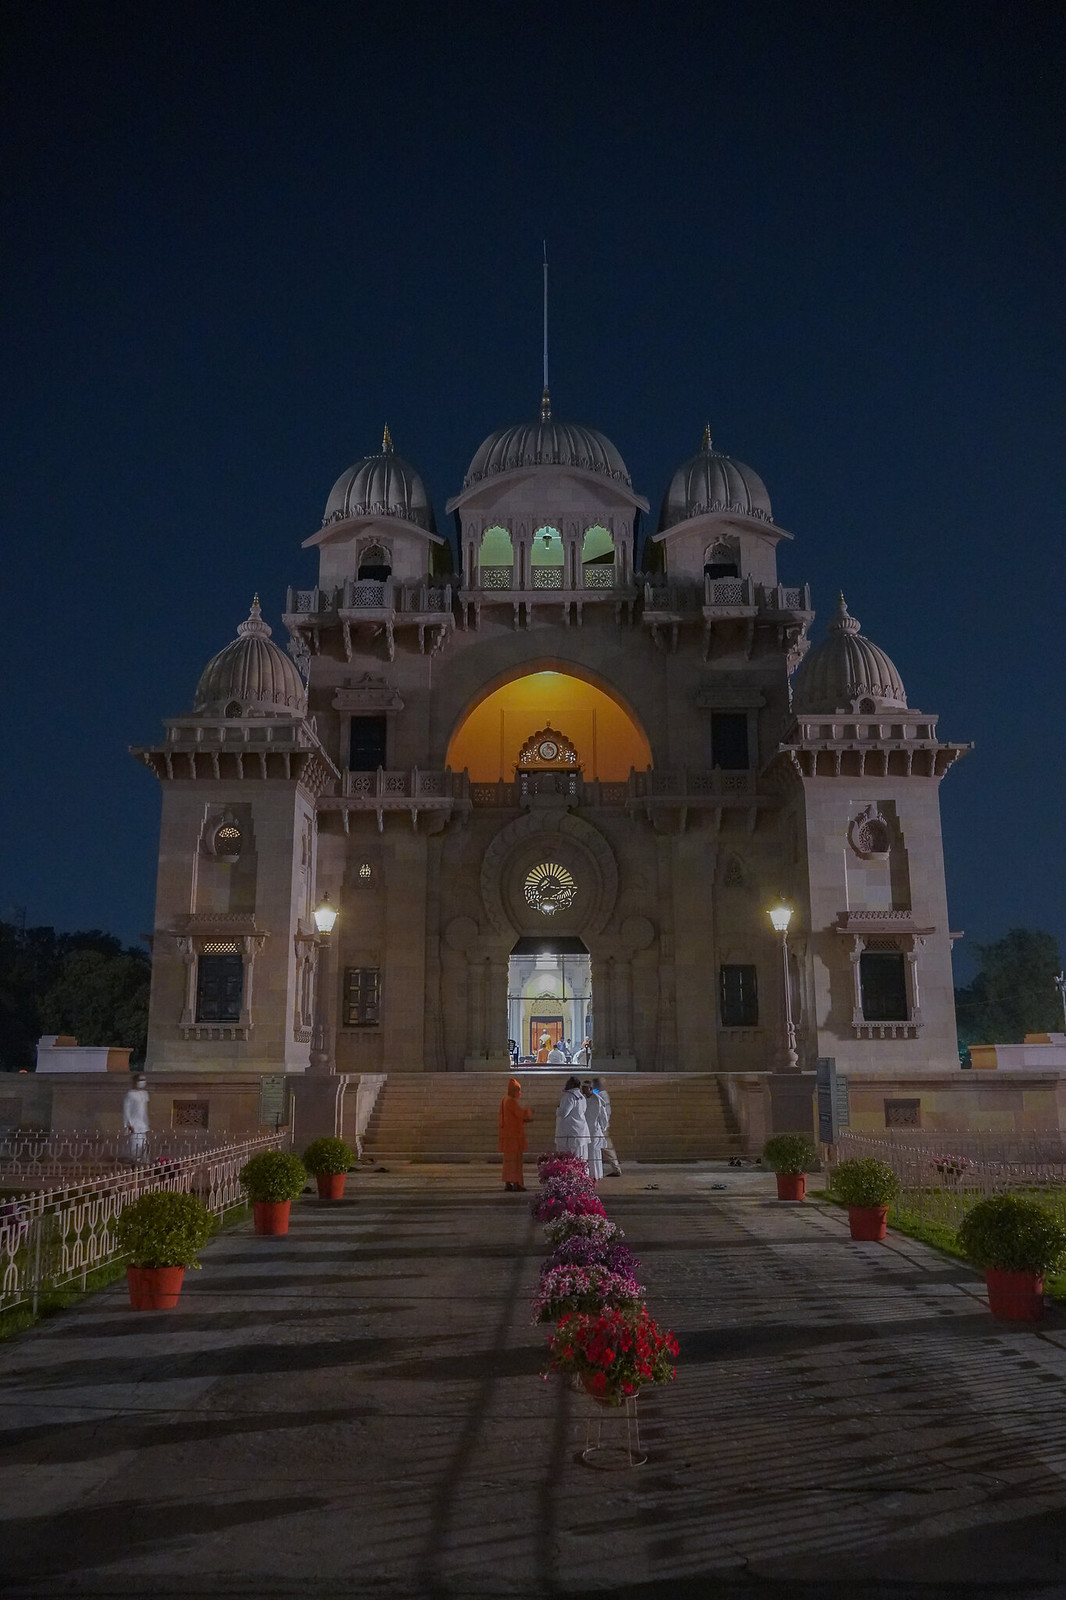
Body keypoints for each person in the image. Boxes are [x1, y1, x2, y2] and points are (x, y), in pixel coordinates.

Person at [498, 1077, 533, 1191]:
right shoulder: (511, 1101)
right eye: (518, 1090)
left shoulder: (505, 1099)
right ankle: (517, 1183)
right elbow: (520, 1114)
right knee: (516, 1162)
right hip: (514, 1136)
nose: (519, 1093)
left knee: (508, 1161)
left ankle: (508, 1182)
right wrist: (528, 1113)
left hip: (507, 1135)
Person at [554, 1075, 589, 1163]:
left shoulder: (569, 1096)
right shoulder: (581, 1096)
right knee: (580, 1157)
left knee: (569, 1158)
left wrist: (558, 1108)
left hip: (570, 1132)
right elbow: (583, 1111)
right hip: (580, 1130)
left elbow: (563, 1113)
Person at [592, 1077, 622, 1176]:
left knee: (606, 1148)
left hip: (600, 1127)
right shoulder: (603, 1094)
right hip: (602, 1126)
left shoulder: (599, 1095)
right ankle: (613, 1167)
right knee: (605, 1147)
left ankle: (616, 1168)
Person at [584, 1082, 609, 1182]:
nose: (583, 1091)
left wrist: (602, 1129)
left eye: (585, 1088)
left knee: (594, 1153)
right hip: (585, 1131)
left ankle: (596, 1175)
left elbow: (603, 1117)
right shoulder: (583, 1099)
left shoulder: (598, 1101)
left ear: (590, 1089)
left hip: (594, 1130)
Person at [123, 1074, 150, 1162]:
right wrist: (129, 1124)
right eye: (140, 1080)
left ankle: (144, 1163)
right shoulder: (130, 1094)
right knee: (135, 1145)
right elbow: (126, 1110)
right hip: (134, 1124)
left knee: (144, 1145)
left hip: (142, 1124)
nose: (142, 1082)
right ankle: (134, 1162)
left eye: (143, 1080)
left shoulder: (144, 1094)